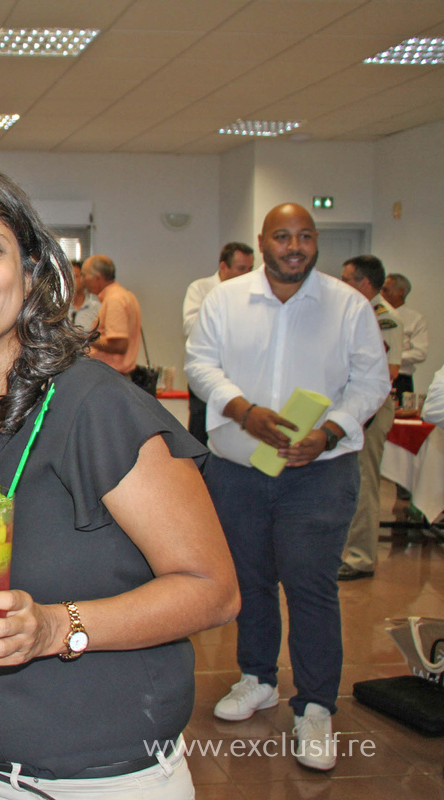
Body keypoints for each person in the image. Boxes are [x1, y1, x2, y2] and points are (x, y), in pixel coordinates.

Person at [0, 157, 239, 800]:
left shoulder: (94, 407)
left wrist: (55, 627)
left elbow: (213, 591)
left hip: (93, 780)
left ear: (29, 275)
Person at [186, 203, 388, 771]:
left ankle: (316, 705)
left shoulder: (347, 305)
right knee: (250, 581)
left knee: (310, 586)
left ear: (315, 241)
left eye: (304, 236)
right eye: (282, 236)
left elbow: (372, 381)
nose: (294, 246)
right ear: (262, 241)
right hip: (239, 471)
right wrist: (243, 410)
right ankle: (258, 678)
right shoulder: (226, 300)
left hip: (317, 473)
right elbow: (201, 365)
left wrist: (329, 432)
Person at [338, 255, 400, 581]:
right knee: (348, 481)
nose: (341, 284)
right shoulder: (354, 312)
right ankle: (346, 550)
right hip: (349, 405)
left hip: (371, 408)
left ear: (364, 283)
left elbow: (388, 372)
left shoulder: (384, 318)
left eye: (346, 279)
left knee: (364, 482)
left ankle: (361, 557)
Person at [182, 243, 254, 444]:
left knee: (235, 434)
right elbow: (190, 327)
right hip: (207, 374)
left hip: (239, 375)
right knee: (200, 434)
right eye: (241, 268)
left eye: (250, 269)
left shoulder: (251, 293)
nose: (247, 274)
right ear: (223, 267)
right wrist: (222, 310)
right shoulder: (201, 288)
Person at [81, 254, 141, 376]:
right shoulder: (124, 295)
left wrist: (86, 338)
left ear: (98, 277)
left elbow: (119, 345)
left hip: (111, 375)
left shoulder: (115, 299)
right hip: (112, 375)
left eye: (84, 275)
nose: (83, 281)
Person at [381, 273, 428, 397]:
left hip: (400, 379)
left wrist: (392, 359)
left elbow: (420, 353)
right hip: (375, 375)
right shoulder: (376, 314)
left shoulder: (415, 318)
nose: (381, 293)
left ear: (400, 292)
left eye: (385, 289)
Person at [67, 259, 99, 333]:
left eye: (75, 276)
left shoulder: (96, 309)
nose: (71, 280)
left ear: (84, 279)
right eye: (68, 277)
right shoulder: (61, 311)